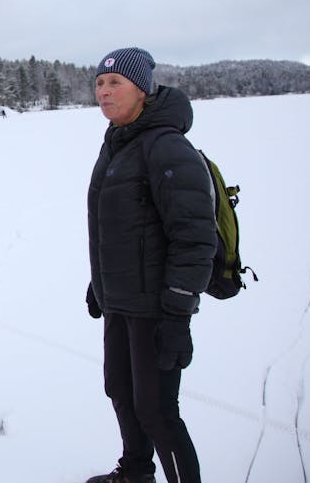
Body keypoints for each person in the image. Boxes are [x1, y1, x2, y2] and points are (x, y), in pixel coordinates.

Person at [85, 48, 216, 483]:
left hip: (156, 308)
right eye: (100, 83)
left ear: (142, 89)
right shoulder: (118, 143)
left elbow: (195, 236)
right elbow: (120, 225)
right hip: (120, 300)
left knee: (158, 412)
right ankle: (136, 472)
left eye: (115, 83)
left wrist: (178, 313)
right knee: (120, 391)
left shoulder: (166, 146)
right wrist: (99, 281)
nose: (104, 91)